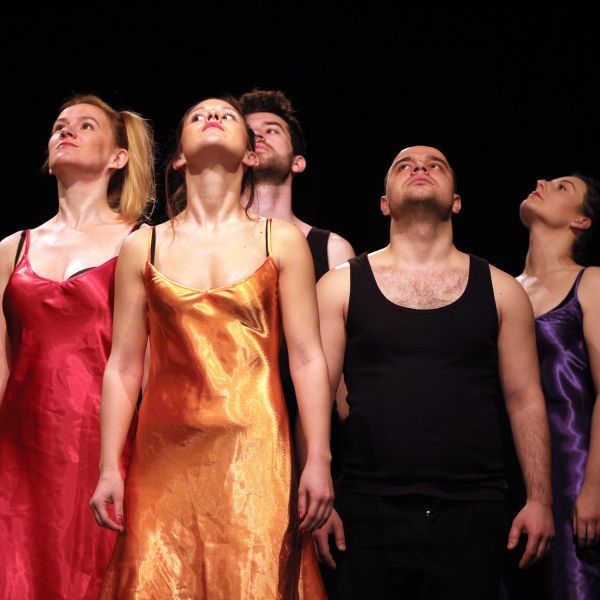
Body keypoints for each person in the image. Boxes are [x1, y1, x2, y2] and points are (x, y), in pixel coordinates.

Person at [89, 97, 333, 599]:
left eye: (227, 115)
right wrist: (109, 465)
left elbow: (308, 358)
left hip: (256, 452)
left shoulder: (281, 241)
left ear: (250, 154)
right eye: (198, 116)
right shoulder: (143, 246)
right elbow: (123, 366)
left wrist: (319, 459)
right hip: (164, 455)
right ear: (179, 156)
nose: (213, 118)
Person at [313, 145, 555, 599]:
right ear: (384, 203)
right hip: (368, 508)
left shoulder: (503, 290)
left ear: (457, 201)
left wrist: (540, 499)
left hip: (475, 511)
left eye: (435, 165)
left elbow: (525, 399)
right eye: (404, 166)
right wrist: (316, 497)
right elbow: (316, 397)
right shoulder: (339, 285)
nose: (420, 168)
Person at [0, 94, 155, 599]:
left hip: (106, 445)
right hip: (21, 453)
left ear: (118, 157)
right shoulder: (12, 248)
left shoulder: (142, 241)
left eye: (86, 126)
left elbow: (151, 363)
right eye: (59, 125)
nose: (65, 131)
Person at [238, 88, 355, 597]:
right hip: (233, 431)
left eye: (273, 130)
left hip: (309, 440)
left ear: (299, 161)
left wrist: (334, 462)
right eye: (250, 131)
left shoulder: (330, 248)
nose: (259, 136)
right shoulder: (205, 245)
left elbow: (342, 373)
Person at [513, 174, 600, 599]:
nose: (543, 182)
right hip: (512, 473)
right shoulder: (504, 290)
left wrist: (594, 487)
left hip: (574, 471)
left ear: (581, 221)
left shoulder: (592, 282)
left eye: (563, 187)